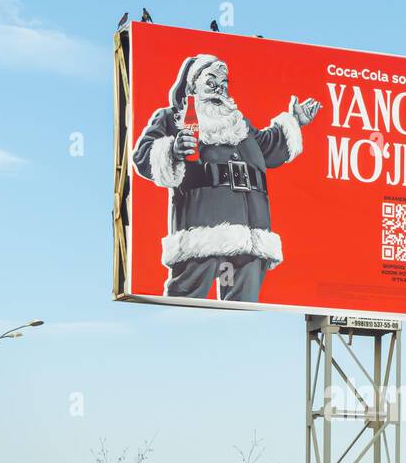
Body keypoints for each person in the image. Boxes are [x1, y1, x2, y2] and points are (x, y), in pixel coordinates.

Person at [133, 53, 321, 301]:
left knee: (243, 309)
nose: (219, 89)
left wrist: (295, 120)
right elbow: (143, 156)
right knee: (185, 302)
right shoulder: (172, 117)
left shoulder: (237, 123)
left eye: (224, 83)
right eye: (211, 81)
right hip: (201, 231)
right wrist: (173, 149)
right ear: (192, 84)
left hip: (252, 234)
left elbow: (267, 148)